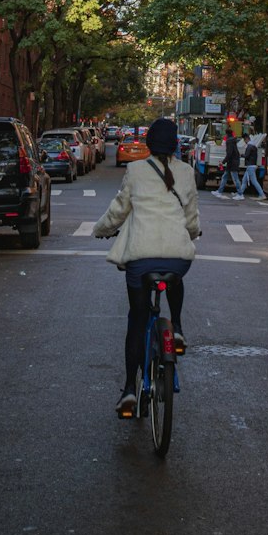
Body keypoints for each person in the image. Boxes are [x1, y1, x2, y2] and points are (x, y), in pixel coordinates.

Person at [93, 117, 201, 418]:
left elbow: (118, 211)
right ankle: (176, 328)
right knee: (176, 278)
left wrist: (100, 230)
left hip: (141, 262)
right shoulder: (187, 172)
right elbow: (191, 217)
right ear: (176, 144)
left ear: (149, 144)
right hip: (177, 259)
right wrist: (191, 233)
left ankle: (129, 388)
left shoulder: (136, 170)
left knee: (137, 322)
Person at [215, 127, 245, 197]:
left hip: (232, 162)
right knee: (225, 176)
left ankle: (240, 194)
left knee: (235, 178)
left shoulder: (229, 141)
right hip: (233, 161)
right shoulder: (233, 140)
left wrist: (223, 162)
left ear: (226, 134)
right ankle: (219, 191)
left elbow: (229, 153)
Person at [241, 133, 267, 199]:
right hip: (251, 165)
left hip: (250, 166)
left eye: (244, 140)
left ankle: (262, 194)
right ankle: (240, 193)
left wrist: (241, 155)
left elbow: (246, 156)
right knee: (244, 180)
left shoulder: (249, 146)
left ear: (246, 139)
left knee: (254, 181)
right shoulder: (254, 146)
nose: (245, 142)